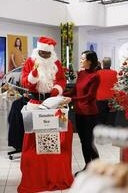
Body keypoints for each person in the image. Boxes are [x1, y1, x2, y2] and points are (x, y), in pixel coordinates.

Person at [18, 36, 74, 192]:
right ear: (38, 51)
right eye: (42, 53)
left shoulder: (56, 63)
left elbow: (62, 80)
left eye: (47, 54)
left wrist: (57, 89)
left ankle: (50, 157)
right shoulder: (31, 61)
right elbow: (24, 82)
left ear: (51, 54)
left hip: (53, 102)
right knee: (33, 136)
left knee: (53, 134)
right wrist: (33, 76)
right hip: (35, 103)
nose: (44, 56)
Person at [64, 50, 100, 175]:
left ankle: (97, 168)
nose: (80, 60)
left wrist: (71, 99)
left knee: (89, 142)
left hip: (90, 114)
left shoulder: (95, 76)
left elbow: (90, 96)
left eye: (82, 58)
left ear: (89, 61)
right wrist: (61, 94)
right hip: (79, 113)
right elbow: (75, 91)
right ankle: (88, 167)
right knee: (83, 141)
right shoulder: (81, 73)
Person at [96, 57, 117, 125]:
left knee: (101, 119)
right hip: (111, 99)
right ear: (110, 64)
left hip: (100, 98)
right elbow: (117, 86)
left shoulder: (98, 73)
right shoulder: (114, 73)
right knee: (111, 119)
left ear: (102, 64)